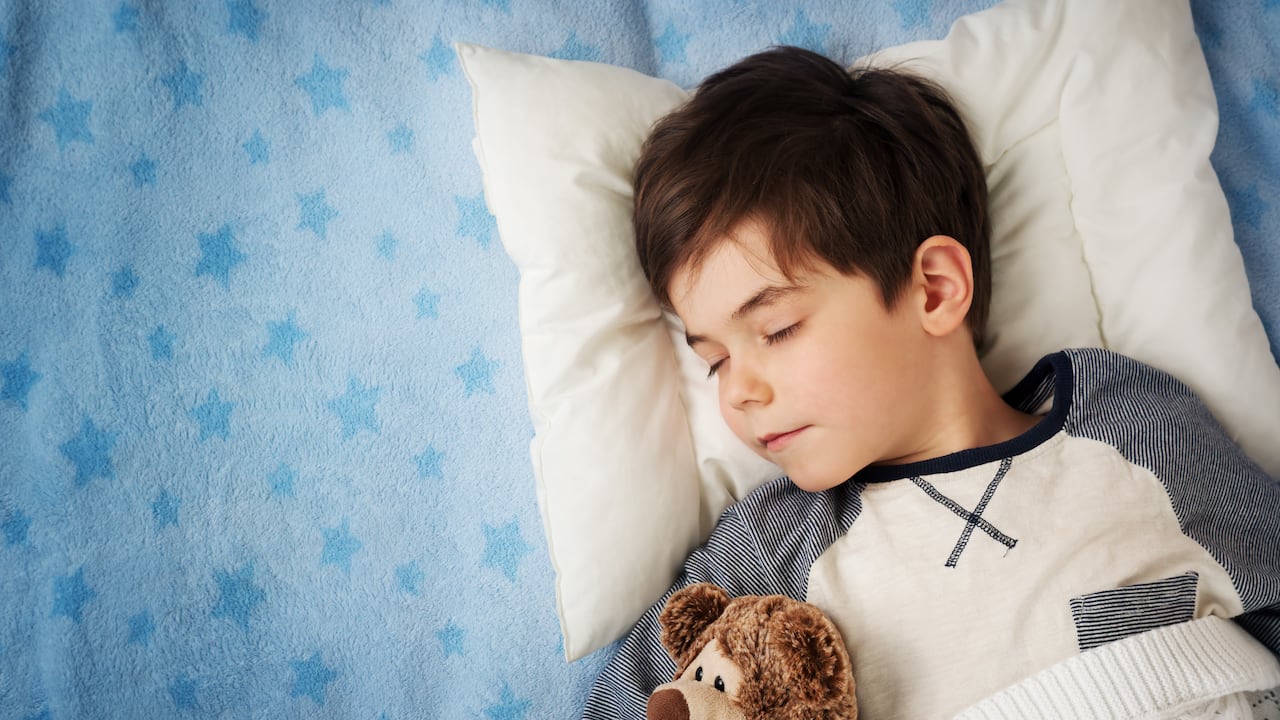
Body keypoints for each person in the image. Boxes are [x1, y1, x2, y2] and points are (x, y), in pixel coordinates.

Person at [582, 46, 1280, 719]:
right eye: (715, 360)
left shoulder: (1127, 426)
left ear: (935, 289)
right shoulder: (776, 546)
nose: (738, 392)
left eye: (778, 329)